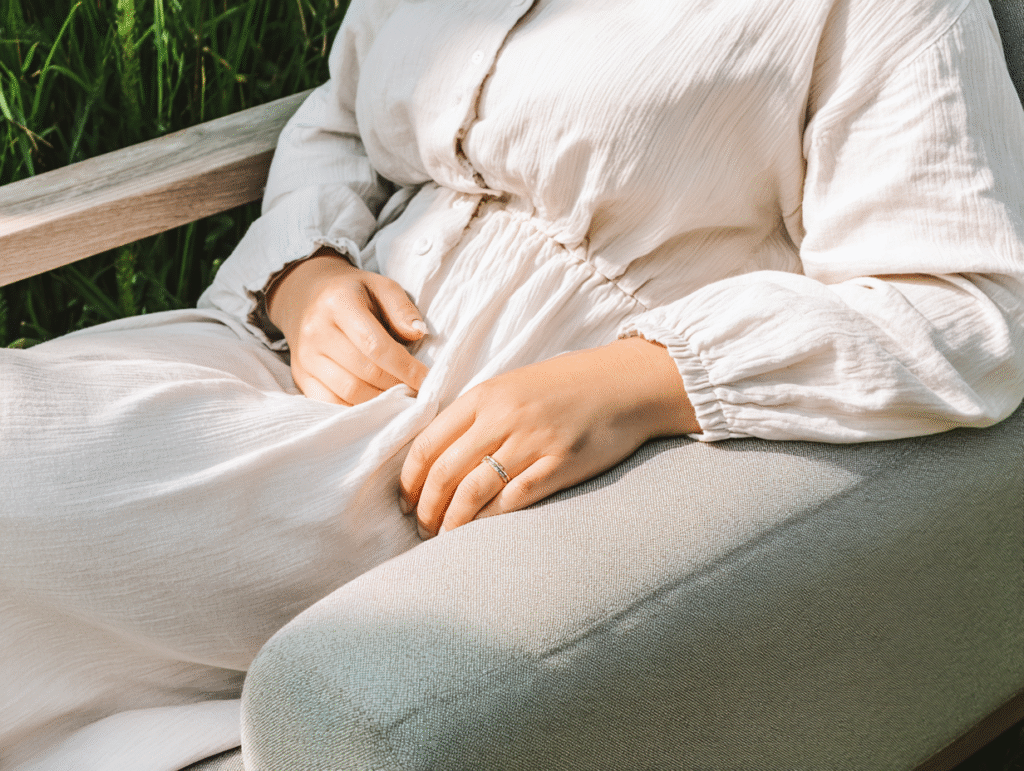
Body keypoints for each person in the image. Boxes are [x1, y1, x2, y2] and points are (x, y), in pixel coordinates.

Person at [3, 0, 1024, 768]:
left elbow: (970, 303)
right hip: (270, 352)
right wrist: (304, 277)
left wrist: (643, 378)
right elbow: (340, 123)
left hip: (461, 443)